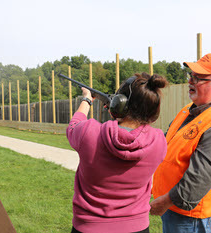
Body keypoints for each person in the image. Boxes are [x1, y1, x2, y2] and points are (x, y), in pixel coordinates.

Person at [66, 72, 169, 233]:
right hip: (137, 227)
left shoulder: (89, 132)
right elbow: (133, 131)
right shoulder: (159, 142)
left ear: (118, 103)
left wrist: (87, 99)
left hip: (89, 227)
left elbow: (74, 125)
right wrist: (118, 117)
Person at [150, 53, 211, 233]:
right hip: (174, 207)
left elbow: (201, 177)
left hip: (190, 216)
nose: (190, 81)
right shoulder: (188, 111)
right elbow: (165, 142)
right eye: (191, 75)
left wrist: (166, 201)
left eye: (198, 78)